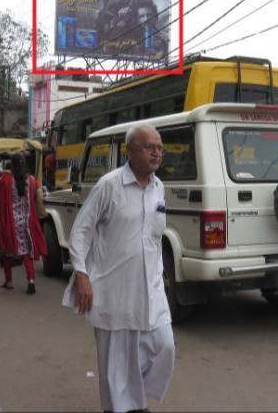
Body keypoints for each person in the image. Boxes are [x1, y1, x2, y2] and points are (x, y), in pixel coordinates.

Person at [62, 124, 174, 412]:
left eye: (159, 147)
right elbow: (81, 231)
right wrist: (82, 275)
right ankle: (123, 407)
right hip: (113, 289)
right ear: (130, 151)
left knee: (163, 346)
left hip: (150, 288)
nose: (156, 152)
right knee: (116, 363)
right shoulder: (109, 185)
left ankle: (134, 399)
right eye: (149, 147)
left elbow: (154, 237)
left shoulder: (159, 187)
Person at [0, 152, 47, 294]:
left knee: (7, 251)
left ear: (11, 165)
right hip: (27, 222)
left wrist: (0, 173)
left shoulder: (5, 180)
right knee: (27, 252)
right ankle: (31, 280)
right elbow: (39, 197)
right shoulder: (32, 180)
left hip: (10, 222)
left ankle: (9, 281)